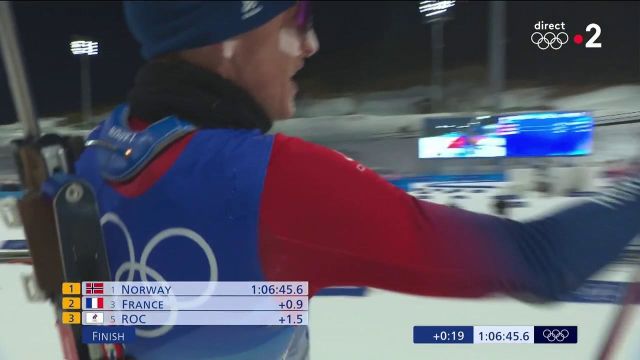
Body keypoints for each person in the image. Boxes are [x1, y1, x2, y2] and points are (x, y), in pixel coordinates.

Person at [75, 1, 640, 359]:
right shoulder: (271, 179)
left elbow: (114, 318)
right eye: (296, 19)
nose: (311, 45)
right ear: (228, 38)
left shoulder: (94, 161)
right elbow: (539, 260)